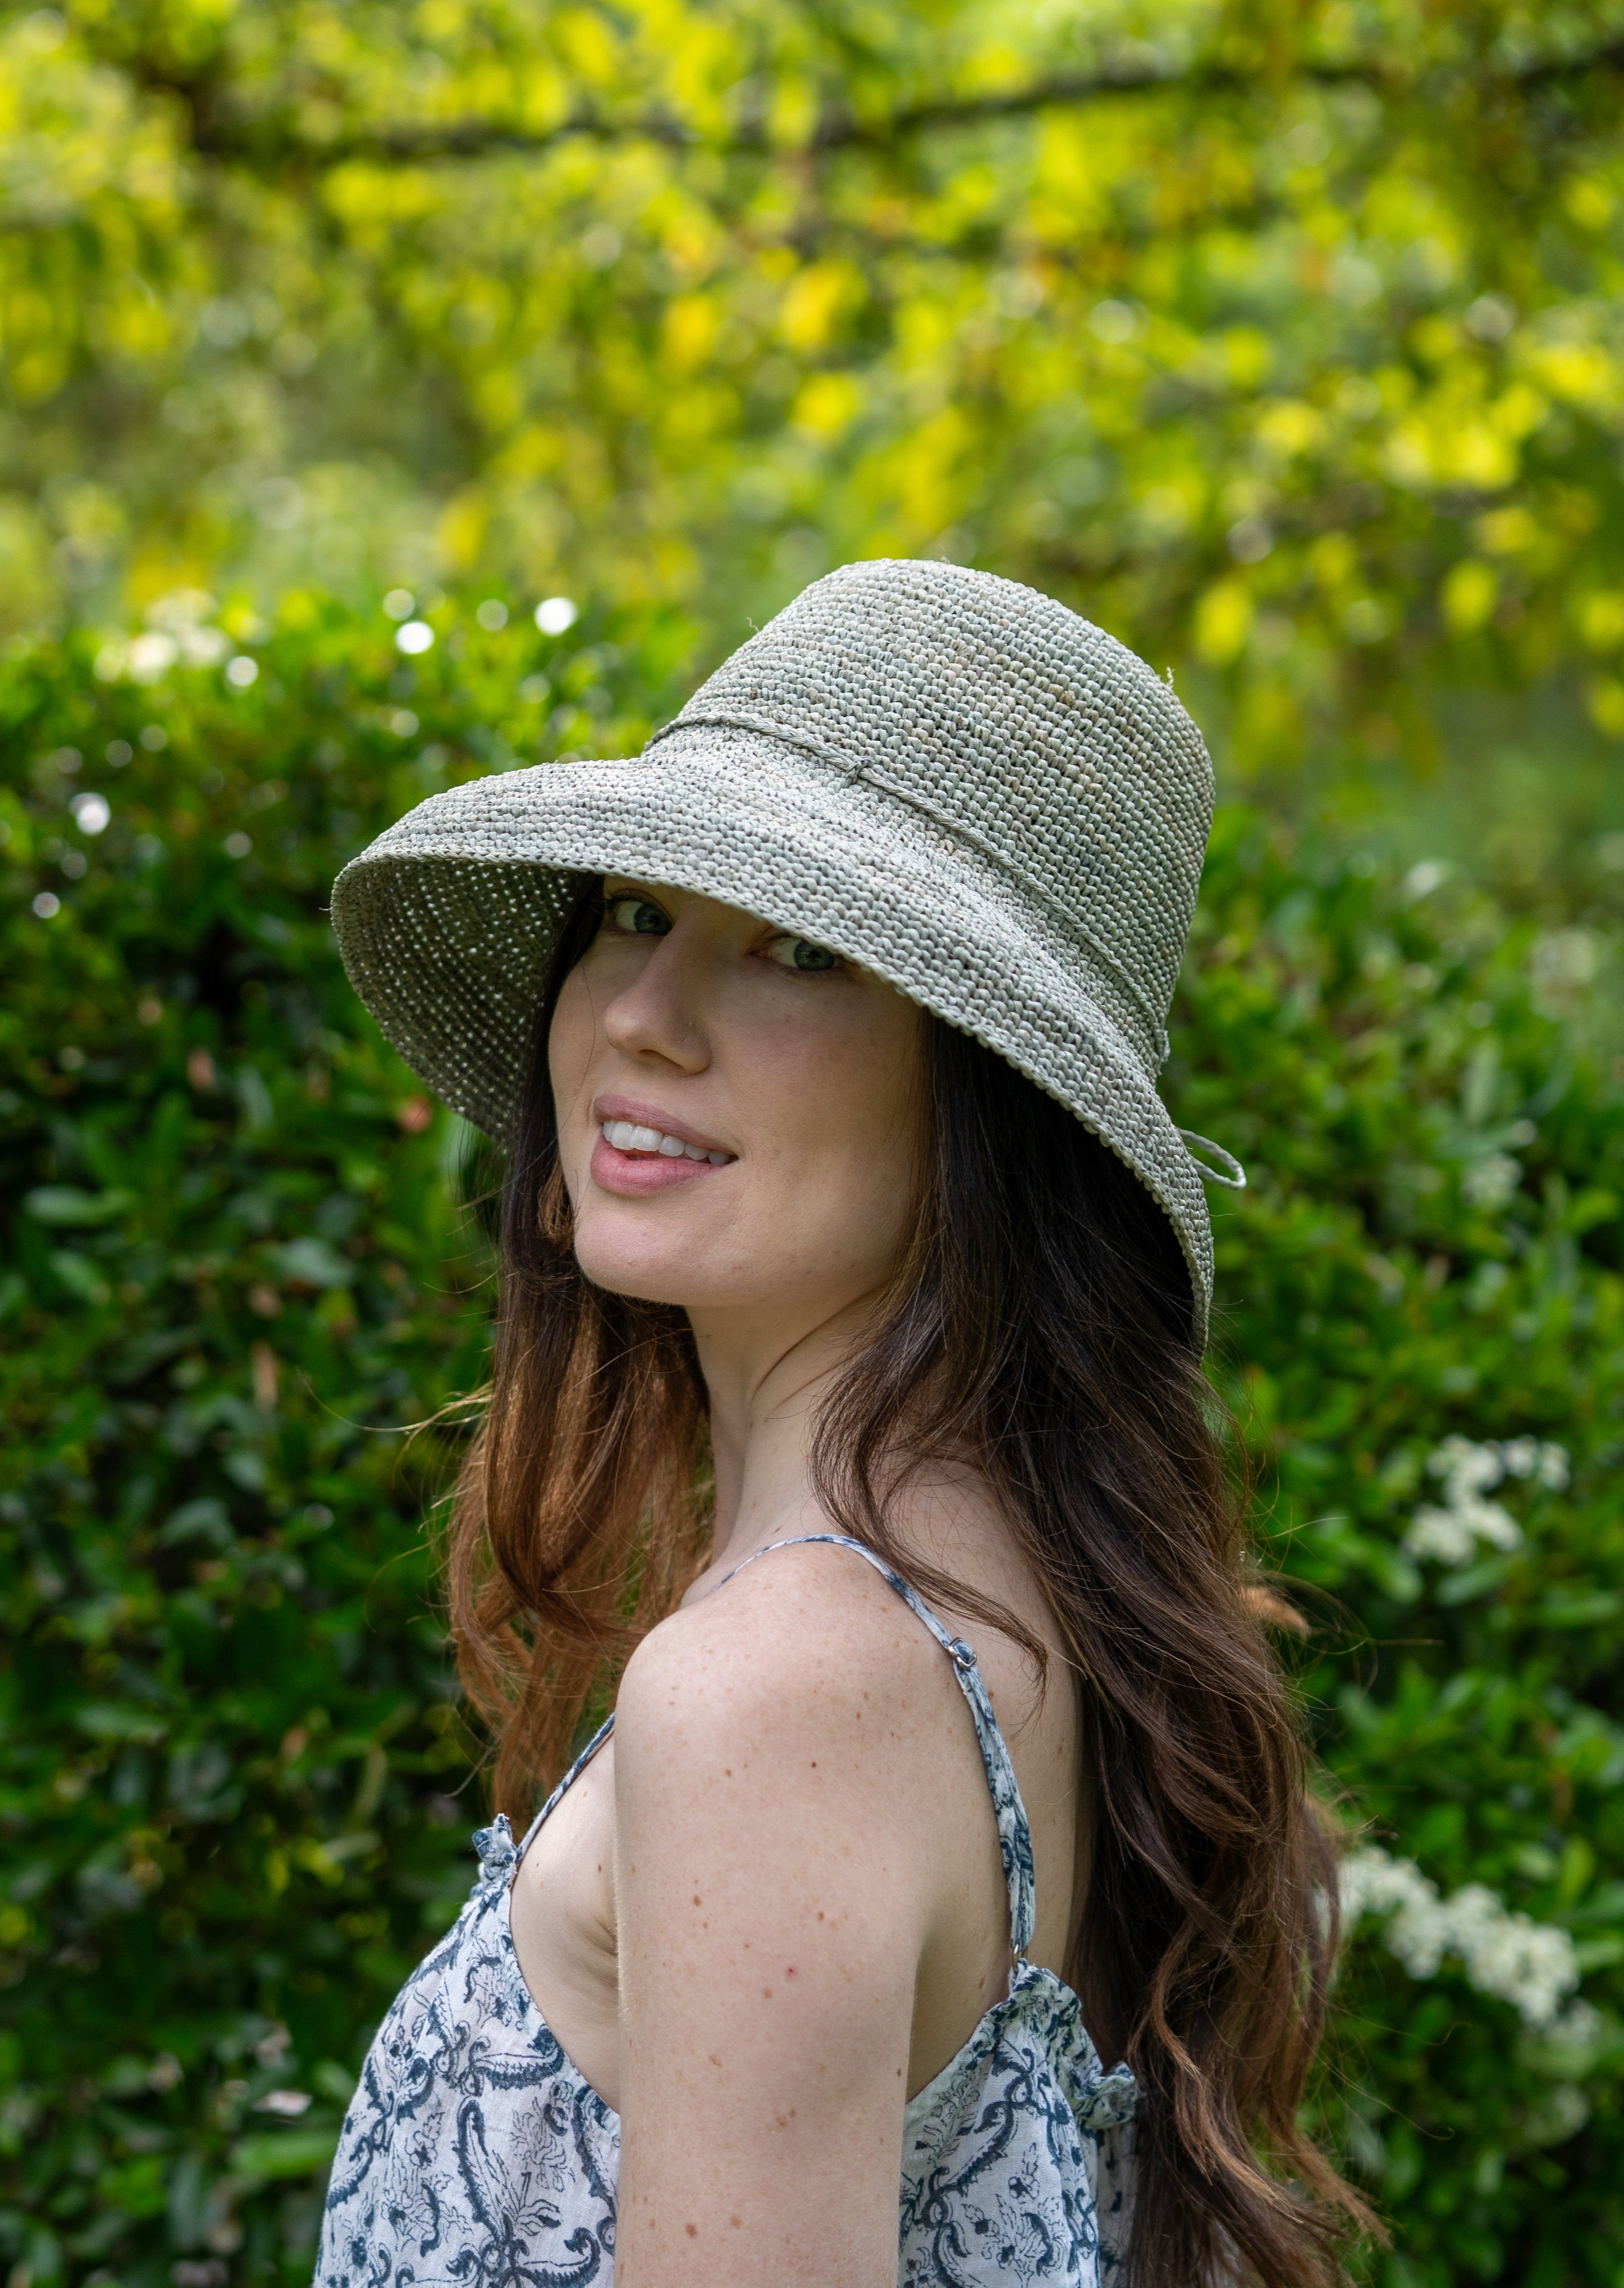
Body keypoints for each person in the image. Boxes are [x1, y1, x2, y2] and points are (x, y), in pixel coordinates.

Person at [314, 561, 1367, 2287]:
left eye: (797, 952)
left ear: (990, 1097)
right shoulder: (1009, 1613)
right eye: (636, 917)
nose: (646, 1015)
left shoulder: (780, 1689)